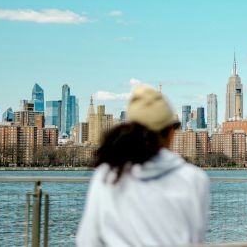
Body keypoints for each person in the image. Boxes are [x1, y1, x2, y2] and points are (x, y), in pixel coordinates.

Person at [76, 85, 210, 247]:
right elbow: (195, 240)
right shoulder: (194, 179)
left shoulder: (107, 175)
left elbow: (87, 240)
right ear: (169, 131)